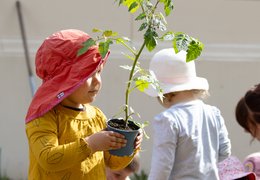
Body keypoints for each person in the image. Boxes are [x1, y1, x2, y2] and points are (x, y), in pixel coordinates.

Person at [24, 29, 142, 179]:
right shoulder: (44, 117)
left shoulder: (96, 116)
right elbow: (48, 158)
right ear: (64, 80)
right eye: (88, 74)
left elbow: (113, 164)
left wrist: (130, 146)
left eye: (99, 72)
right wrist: (91, 144)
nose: (97, 80)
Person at [144, 48, 231, 180]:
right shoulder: (213, 113)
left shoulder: (168, 120)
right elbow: (225, 152)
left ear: (163, 93)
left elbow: (162, 166)